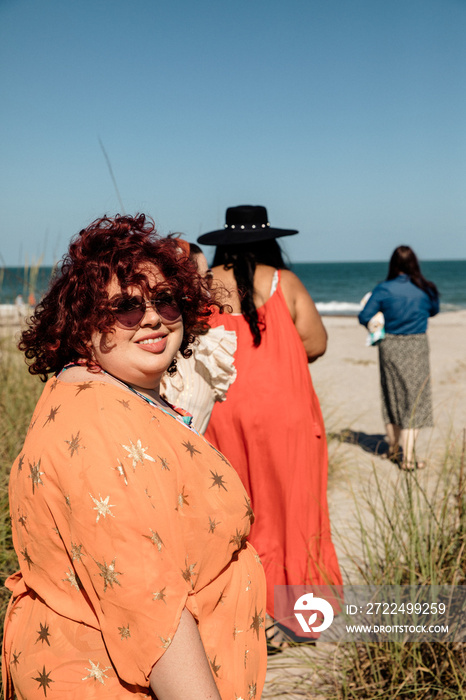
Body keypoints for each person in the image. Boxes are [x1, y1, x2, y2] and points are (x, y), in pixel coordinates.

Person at [2, 214, 266, 700]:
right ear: (82, 324)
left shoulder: (118, 393)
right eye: (125, 307)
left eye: (165, 300)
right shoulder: (99, 422)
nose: (151, 317)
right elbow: (150, 602)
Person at [197, 205, 342, 643]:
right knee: (295, 507)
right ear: (270, 242)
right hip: (286, 413)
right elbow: (316, 343)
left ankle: (242, 612)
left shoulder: (203, 285)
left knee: (235, 512)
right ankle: (300, 617)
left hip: (223, 412)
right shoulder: (284, 282)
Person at [358, 245, 439, 470]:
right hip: (417, 344)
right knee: (415, 399)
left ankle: (394, 449)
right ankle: (408, 458)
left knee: (391, 394)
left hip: (390, 345)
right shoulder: (426, 288)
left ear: (393, 264)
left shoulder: (383, 289)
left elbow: (364, 316)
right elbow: (434, 310)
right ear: (415, 263)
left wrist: (380, 319)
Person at [161, 240, 237, 433]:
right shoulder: (152, 345)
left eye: (208, 278)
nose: (207, 288)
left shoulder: (209, 346)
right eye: (201, 279)